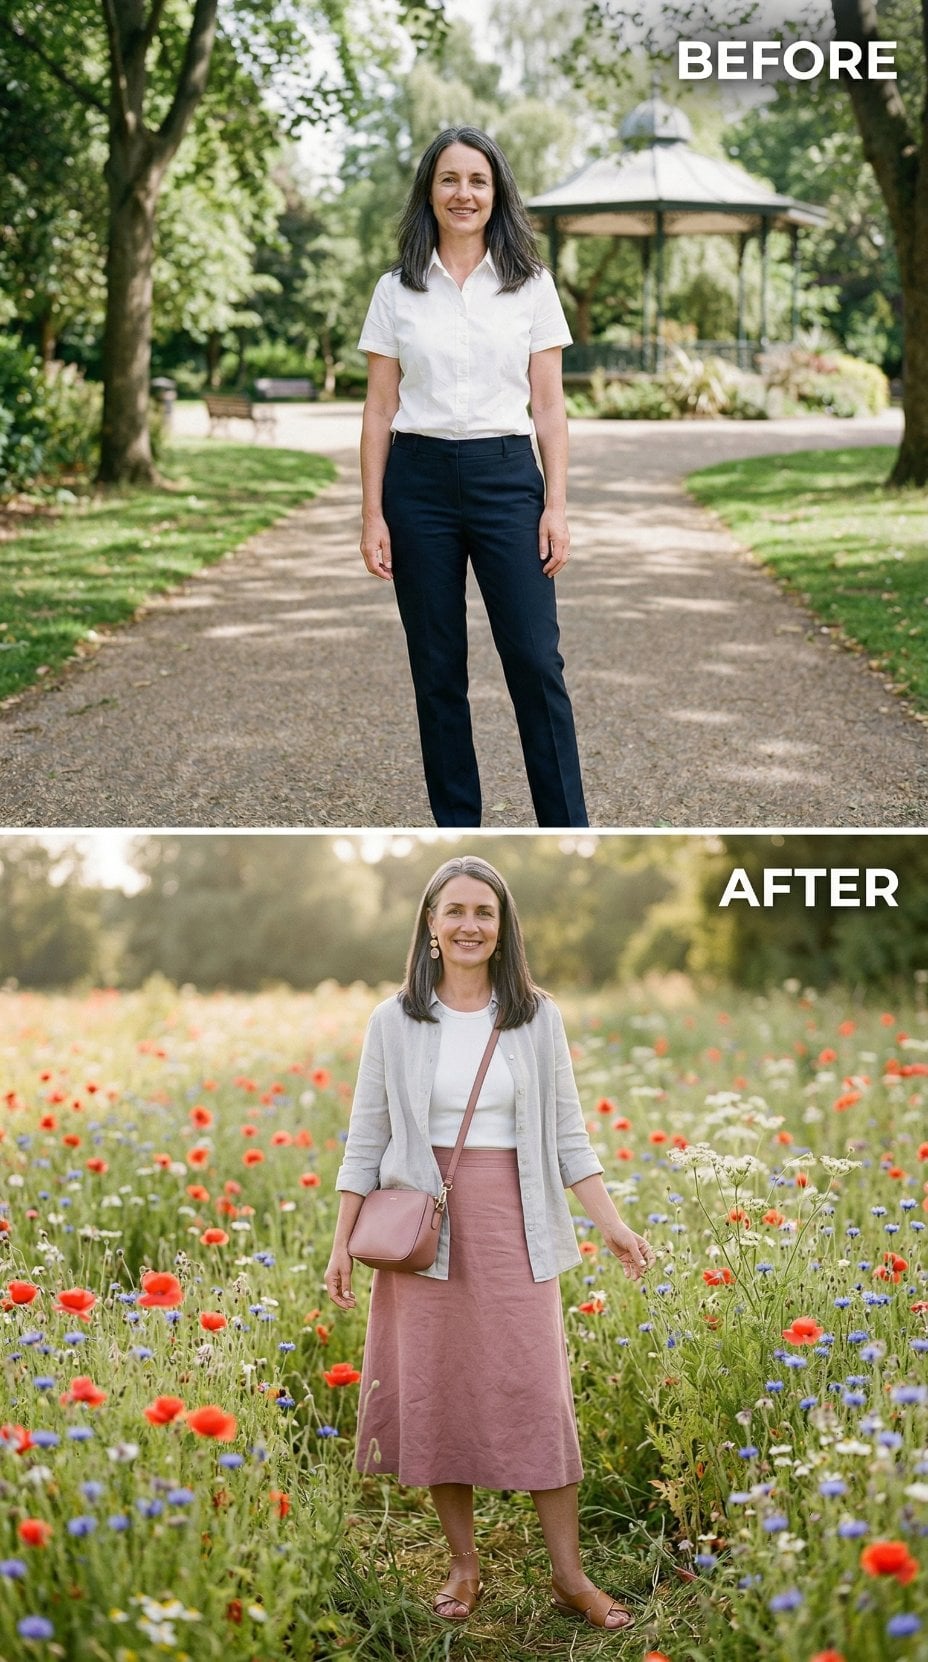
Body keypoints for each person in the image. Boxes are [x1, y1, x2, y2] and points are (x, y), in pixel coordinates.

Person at [325, 855, 656, 1631]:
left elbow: (569, 1134)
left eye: (485, 913)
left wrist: (611, 1223)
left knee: (537, 1389)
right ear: (431, 928)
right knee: (439, 1389)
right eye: (455, 912)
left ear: (502, 930)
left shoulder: (537, 1016)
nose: (470, 925)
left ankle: (570, 1576)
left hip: (516, 1220)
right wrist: (340, 1243)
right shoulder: (393, 1020)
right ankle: (464, 1565)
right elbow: (364, 1139)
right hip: (421, 1228)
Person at [357, 126, 588, 830]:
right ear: (430, 190)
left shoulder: (531, 285)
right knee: (438, 670)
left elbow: (548, 405)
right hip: (417, 482)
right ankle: (458, 825)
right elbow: (378, 407)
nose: (464, 193)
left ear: (497, 193)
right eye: (450, 179)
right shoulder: (397, 288)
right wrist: (372, 514)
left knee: (535, 663)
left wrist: (557, 505)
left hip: (505, 478)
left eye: (478, 181)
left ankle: (566, 825)